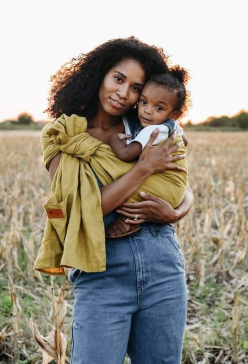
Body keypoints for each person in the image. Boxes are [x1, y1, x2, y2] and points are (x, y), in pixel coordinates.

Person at [42, 37, 194, 364]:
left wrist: (175, 213)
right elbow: (80, 210)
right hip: (102, 269)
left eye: (137, 87)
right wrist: (141, 171)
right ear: (99, 74)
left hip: (162, 262)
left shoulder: (149, 125)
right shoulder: (64, 135)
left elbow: (181, 181)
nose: (125, 93)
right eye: (118, 79)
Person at [106, 67, 190, 238]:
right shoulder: (171, 126)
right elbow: (185, 141)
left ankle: (127, 221)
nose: (148, 111)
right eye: (144, 102)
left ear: (173, 114)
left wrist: (114, 139)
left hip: (164, 192)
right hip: (175, 192)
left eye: (159, 108)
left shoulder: (152, 131)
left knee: (121, 183)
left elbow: (126, 154)